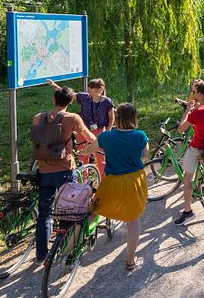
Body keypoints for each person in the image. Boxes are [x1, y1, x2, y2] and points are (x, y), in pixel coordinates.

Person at [80, 103, 148, 270]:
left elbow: (89, 150)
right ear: (134, 117)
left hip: (112, 182)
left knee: (92, 210)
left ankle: (70, 245)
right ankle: (130, 260)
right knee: (133, 221)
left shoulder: (106, 137)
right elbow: (145, 154)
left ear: (116, 117)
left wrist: (80, 153)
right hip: (134, 181)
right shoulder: (140, 136)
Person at [33, 87, 96, 263]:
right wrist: (98, 144)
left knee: (44, 213)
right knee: (69, 210)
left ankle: (41, 255)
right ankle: (66, 250)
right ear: (70, 102)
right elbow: (88, 136)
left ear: (54, 100)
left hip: (44, 170)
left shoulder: (38, 117)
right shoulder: (73, 118)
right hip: (64, 171)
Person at [46, 78, 114, 177]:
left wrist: (107, 132)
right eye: (89, 86)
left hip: (99, 131)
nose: (89, 88)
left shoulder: (107, 102)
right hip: (84, 130)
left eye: (92, 87)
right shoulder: (84, 97)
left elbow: (111, 118)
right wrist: (54, 85)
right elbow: (66, 95)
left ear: (100, 89)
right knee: (82, 157)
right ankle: (83, 183)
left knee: (101, 159)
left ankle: (104, 182)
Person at [174, 80, 204, 225]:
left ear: (199, 93)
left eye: (194, 92)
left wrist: (188, 110)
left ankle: (188, 212)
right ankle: (199, 184)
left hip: (198, 148)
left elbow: (180, 129)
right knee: (195, 174)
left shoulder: (198, 112)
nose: (192, 94)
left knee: (186, 179)